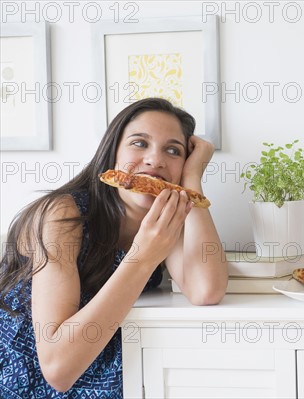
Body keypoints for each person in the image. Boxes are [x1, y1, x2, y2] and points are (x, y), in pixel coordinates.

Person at [0, 97, 229, 397]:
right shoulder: (61, 215)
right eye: (139, 143)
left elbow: (206, 290)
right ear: (112, 154)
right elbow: (57, 369)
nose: (155, 160)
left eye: (173, 151)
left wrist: (192, 180)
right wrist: (144, 257)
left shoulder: (163, 221)